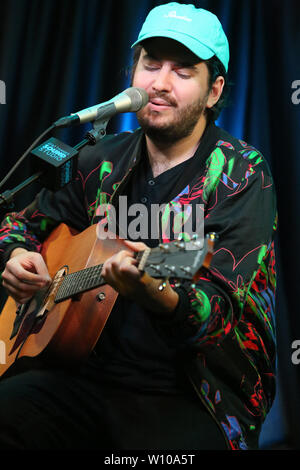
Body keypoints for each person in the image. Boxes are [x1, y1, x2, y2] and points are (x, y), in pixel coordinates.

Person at [0, 3, 277, 451]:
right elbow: (18, 222)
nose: (160, 83)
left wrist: (157, 292)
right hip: (82, 379)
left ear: (214, 91)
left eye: (183, 71)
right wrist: (16, 256)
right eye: (151, 64)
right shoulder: (101, 158)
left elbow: (220, 310)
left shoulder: (241, 173)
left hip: (187, 397)